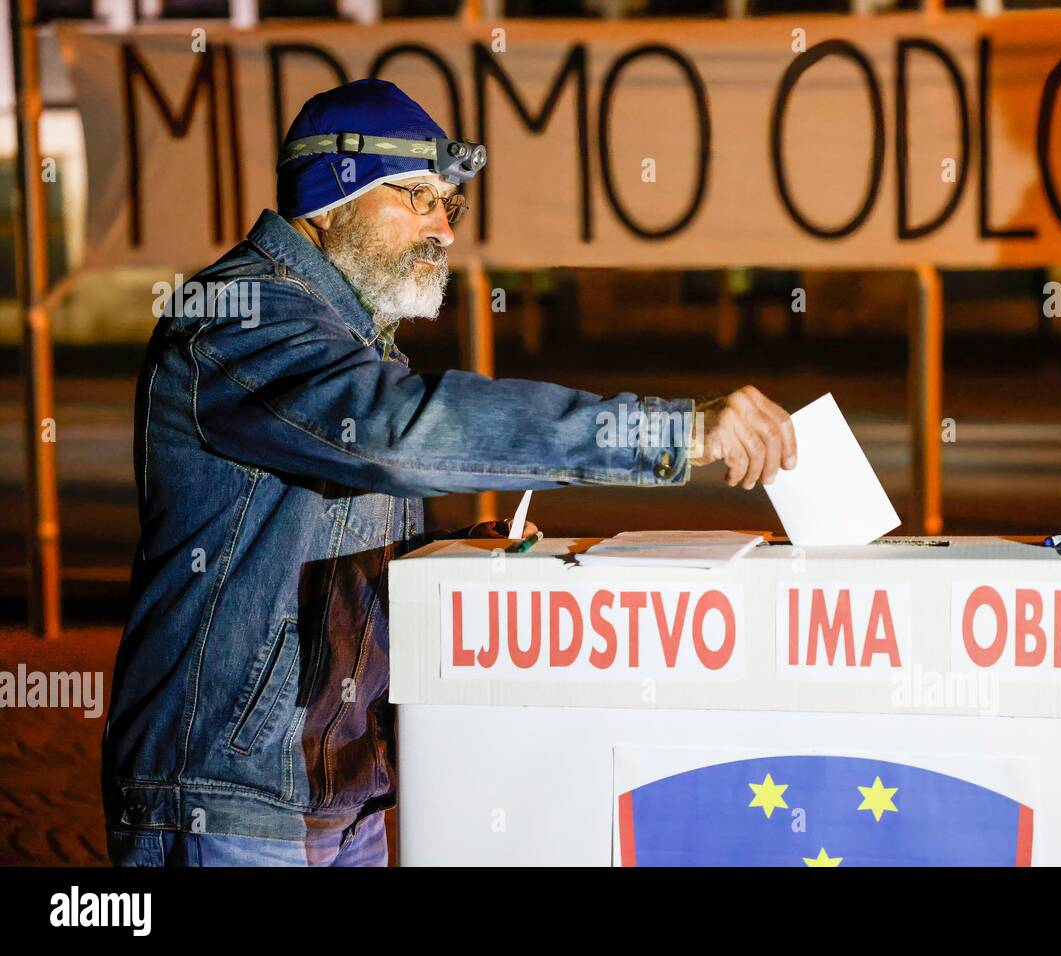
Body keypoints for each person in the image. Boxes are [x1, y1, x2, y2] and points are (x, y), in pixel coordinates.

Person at [102, 79, 796, 867]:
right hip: (230, 805)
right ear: (332, 198)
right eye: (420, 199)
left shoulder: (352, 340)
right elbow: (396, 434)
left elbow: (330, 546)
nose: (443, 228)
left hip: (341, 795)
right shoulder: (234, 319)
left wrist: (461, 555)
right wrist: (666, 431)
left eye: (450, 207)